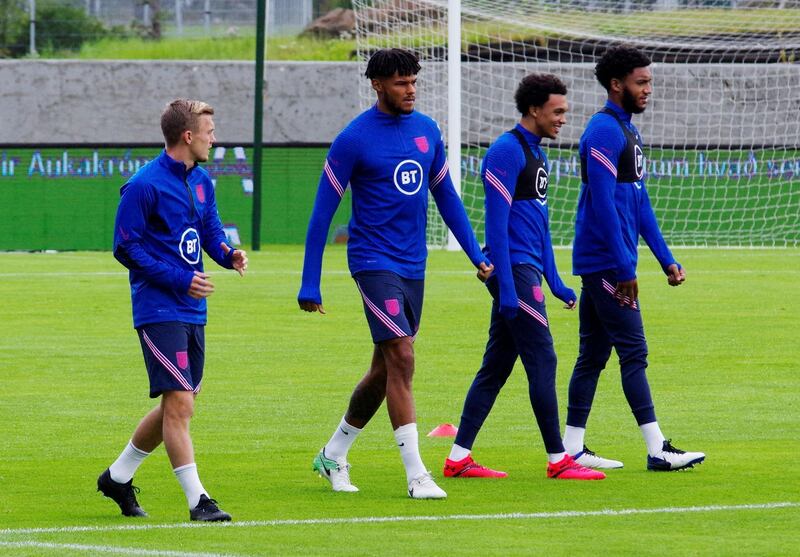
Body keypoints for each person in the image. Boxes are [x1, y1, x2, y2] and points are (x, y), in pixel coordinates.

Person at [298, 48, 493, 499]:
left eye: (413, 81)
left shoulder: (427, 131)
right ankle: (416, 475)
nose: (410, 90)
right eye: (401, 82)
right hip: (372, 261)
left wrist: (476, 255)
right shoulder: (353, 139)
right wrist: (310, 281)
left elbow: (447, 198)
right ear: (377, 85)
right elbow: (321, 215)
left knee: (385, 371)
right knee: (403, 357)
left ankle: (333, 454)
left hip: (413, 265)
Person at [443, 74, 604, 481]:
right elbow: (496, 228)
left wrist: (555, 281)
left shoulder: (537, 153)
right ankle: (558, 459)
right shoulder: (504, 152)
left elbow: (540, 225)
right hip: (513, 270)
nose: (564, 119)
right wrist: (510, 291)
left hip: (527, 271)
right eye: (558, 111)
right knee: (543, 358)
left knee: (496, 366)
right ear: (534, 110)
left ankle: (458, 458)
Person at [98, 99, 247, 521]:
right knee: (180, 403)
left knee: (176, 405)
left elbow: (210, 233)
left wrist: (227, 254)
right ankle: (199, 501)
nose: (214, 138)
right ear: (188, 136)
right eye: (210, 131)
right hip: (158, 307)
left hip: (192, 309)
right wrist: (180, 279)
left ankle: (117, 477)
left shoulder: (202, 182)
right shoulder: (143, 185)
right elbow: (125, 247)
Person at [563, 45, 705, 471]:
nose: (648, 90)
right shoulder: (604, 131)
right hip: (607, 263)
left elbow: (638, 204)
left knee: (592, 356)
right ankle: (657, 447)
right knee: (634, 351)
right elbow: (603, 204)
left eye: (649, 82)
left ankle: (571, 447)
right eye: (641, 83)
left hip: (609, 260)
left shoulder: (627, 131)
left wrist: (665, 259)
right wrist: (626, 267)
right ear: (615, 84)